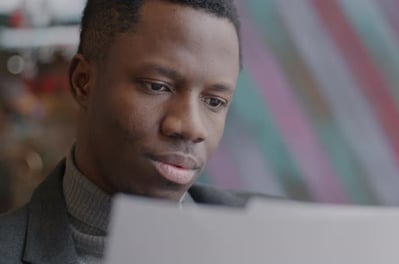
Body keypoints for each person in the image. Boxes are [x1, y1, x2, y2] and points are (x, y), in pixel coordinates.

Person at [0, 0, 250, 263]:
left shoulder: (268, 237)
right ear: (83, 82)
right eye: (157, 86)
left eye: (214, 102)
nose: (191, 127)